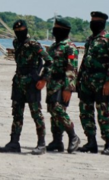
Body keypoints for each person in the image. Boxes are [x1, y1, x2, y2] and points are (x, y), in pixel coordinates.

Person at [0, 20, 52, 155]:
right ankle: (14, 142)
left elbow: (49, 61)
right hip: (18, 81)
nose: (19, 32)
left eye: (21, 30)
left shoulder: (34, 44)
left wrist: (43, 79)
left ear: (26, 30)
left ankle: (41, 143)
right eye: (16, 30)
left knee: (36, 113)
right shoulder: (16, 43)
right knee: (17, 113)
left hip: (32, 82)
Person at [77, 11, 109, 155]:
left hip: (102, 81)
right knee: (85, 112)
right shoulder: (90, 39)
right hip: (87, 80)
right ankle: (91, 142)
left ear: (102, 23)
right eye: (91, 20)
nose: (92, 23)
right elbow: (85, 60)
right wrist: (79, 78)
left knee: (103, 113)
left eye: (96, 21)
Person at [40, 17, 81, 153]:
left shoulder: (70, 47)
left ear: (63, 31)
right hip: (52, 84)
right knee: (53, 112)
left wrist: (68, 88)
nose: (54, 31)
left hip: (62, 84)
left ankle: (73, 136)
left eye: (57, 28)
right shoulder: (53, 47)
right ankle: (57, 141)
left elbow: (71, 69)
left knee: (59, 110)